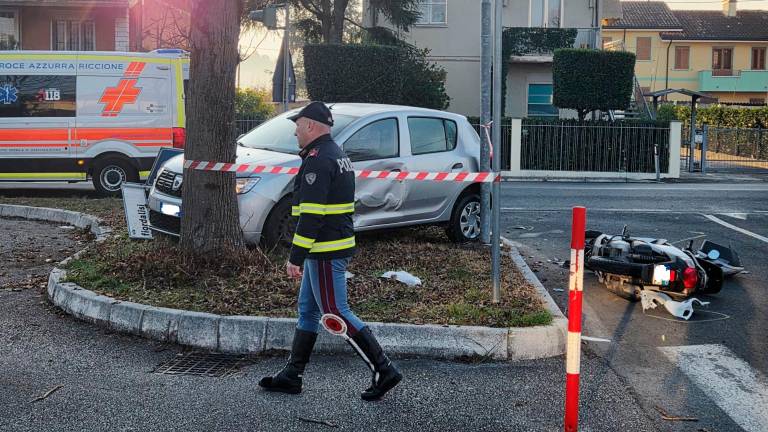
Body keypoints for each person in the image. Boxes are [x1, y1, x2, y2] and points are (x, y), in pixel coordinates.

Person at [259, 101, 402, 401]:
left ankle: (384, 368)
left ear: (311, 125)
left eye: (298, 126)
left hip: (325, 249)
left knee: (335, 312)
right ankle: (292, 375)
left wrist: (294, 257)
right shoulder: (335, 155)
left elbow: (311, 215)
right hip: (328, 247)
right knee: (308, 310)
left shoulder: (318, 159)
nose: (296, 132)